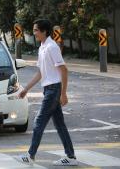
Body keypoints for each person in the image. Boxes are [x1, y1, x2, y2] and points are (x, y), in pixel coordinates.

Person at [18, 19, 78, 166]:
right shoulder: (42, 47)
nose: (34, 33)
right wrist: (26, 89)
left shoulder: (52, 47)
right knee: (59, 124)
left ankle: (30, 155)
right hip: (48, 90)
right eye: (34, 30)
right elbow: (40, 73)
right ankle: (70, 157)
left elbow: (64, 70)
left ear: (44, 31)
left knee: (39, 121)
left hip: (54, 90)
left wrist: (63, 94)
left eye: (36, 30)